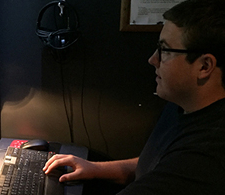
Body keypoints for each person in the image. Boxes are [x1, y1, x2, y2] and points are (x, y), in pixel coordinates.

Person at [43, 0, 225, 194]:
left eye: (165, 50)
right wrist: (95, 168)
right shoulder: (185, 105)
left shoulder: (203, 158)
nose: (153, 59)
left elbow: (174, 168)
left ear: (204, 66)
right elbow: (155, 164)